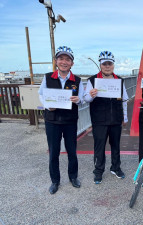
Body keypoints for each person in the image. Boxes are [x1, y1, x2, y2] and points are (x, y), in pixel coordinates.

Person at [39, 46, 84, 194]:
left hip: (70, 121)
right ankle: (55, 181)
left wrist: (78, 99)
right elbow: (41, 95)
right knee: (54, 152)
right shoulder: (47, 77)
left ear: (72, 63)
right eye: (61, 58)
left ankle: (73, 177)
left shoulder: (77, 80)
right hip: (52, 121)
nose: (64, 62)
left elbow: (82, 99)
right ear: (56, 61)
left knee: (72, 151)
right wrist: (47, 106)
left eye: (67, 59)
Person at [84, 51, 128, 184]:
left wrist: (124, 117)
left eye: (109, 64)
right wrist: (91, 94)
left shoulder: (119, 80)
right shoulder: (93, 80)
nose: (107, 66)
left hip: (115, 119)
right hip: (99, 120)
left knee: (115, 145)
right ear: (100, 65)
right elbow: (86, 99)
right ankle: (98, 171)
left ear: (113, 65)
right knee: (99, 146)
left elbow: (124, 99)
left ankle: (116, 167)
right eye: (104, 64)